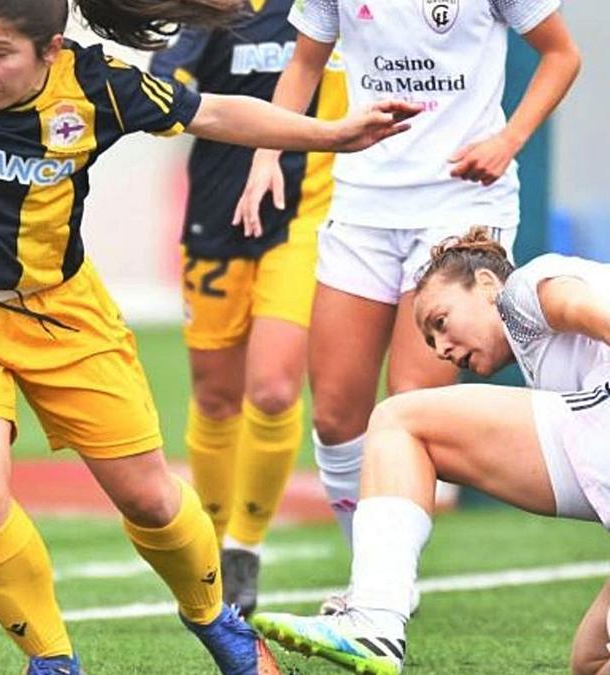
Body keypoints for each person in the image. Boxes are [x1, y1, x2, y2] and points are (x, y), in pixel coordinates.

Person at [0, 1, 417, 672]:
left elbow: (211, 112)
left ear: (51, 49)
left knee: (149, 497)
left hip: (62, 312)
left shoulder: (98, 86)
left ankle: (217, 619)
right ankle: (53, 661)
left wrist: (331, 135)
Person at [233, 0, 581, 582]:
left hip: (461, 201)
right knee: (337, 417)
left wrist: (509, 139)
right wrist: (267, 156)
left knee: (411, 407)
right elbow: (303, 65)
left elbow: (562, 55)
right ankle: (371, 568)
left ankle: (380, 591)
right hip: (363, 204)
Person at [250, 227, 610, 675]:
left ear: (485, 285)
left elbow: (586, 309)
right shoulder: (552, 359)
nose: (441, 349)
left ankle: (374, 619)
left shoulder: (522, 292)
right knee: (592, 662)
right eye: (430, 340)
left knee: (400, 421)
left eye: (440, 322)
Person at [148, 3, 347, 618]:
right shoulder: (209, 13)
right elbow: (164, 101)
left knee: (272, 389)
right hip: (216, 216)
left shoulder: (329, 9)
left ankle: (244, 547)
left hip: (305, 216)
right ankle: (209, 539)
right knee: (214, 396)